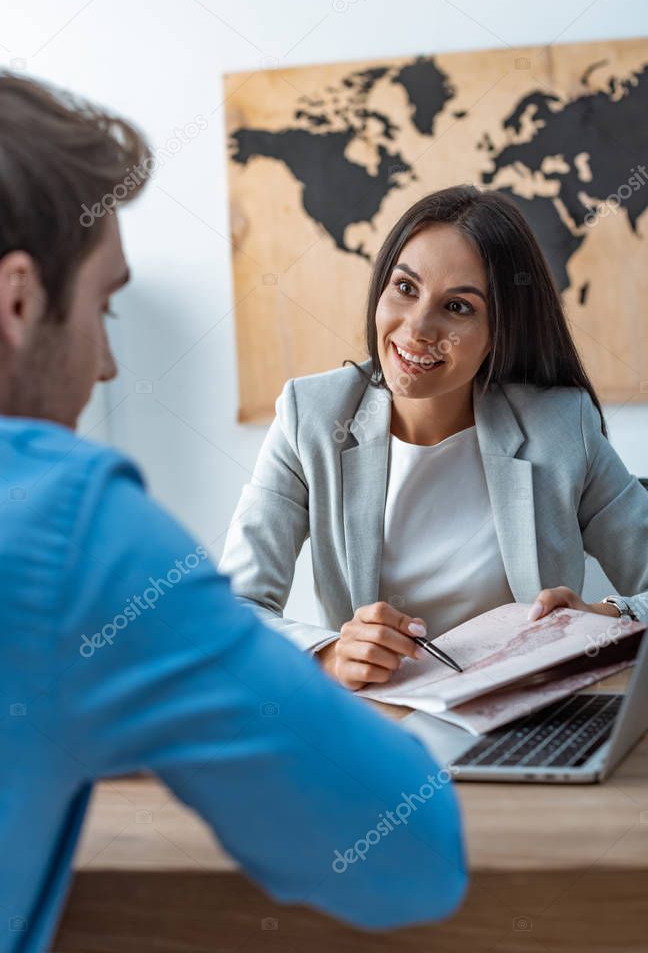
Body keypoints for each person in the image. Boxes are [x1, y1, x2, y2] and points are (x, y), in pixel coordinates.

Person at [0, 72, 468, 953]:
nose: (105, 364)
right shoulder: (68, 524)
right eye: (102, 306)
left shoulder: (556, 427)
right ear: (19, 301)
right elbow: (411, 854)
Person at [221, 185, 648, 692]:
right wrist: (330, 654)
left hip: (524, 719)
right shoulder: (309, 417)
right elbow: (231, 613)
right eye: (405, 287)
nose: (417, 328)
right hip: (381, 725)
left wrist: (605, 615)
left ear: (500, 330)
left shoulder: (560, 426)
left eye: (458, 307)